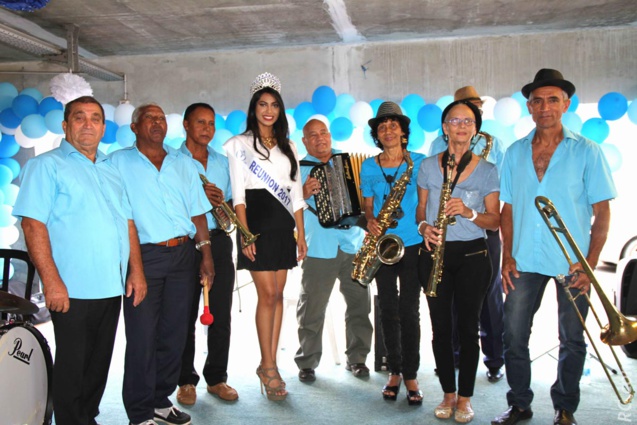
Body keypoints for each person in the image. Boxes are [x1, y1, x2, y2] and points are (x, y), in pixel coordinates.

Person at [492, 69, 616, 425]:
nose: (544, 107)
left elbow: (602, 213)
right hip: (524, 260)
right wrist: (506, 256)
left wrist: (589, 264)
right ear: (529, 107)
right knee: (513, 335)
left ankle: (565, 408)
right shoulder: (514, 153)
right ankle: (519, 404)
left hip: (572, 262)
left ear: (566, 104)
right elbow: (508, 209)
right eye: (537, 101)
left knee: (573, 339)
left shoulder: (588, 151)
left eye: (552, 100)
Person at [13, 96, 146, 425]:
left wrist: (137, 272)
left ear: (103, 127)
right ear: (65, 125)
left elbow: (127, 223)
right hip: (71, 288)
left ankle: (87, 418)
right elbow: (33, 224)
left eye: (95, 118)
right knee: (73, 367)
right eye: (79, 117)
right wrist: (52, 281)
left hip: (109, 286)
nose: (88, 124)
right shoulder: (46, 166)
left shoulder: (110, 169)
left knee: (98, 366)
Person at [111, 103, 214, 425]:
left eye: (160, 118)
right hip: (143, 257)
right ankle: (140, 413)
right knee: (143, 336)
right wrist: (133, 265)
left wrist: (206, 255)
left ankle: (159, 400)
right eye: (149, 118)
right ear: (134, 127)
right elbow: (118, 215)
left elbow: (197, 211)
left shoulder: (182, 163)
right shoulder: (117, 163)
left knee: (175, 334)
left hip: (184, 255)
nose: (157, 123)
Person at [224, 72, 307, 401]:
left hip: (283, 224)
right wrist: (245, 235)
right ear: (253, 108)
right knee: (267, 294)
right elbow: (239, 195)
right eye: (262, 104)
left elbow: (296, 192)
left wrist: (300, 233)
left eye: (274, 105)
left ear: (280, 110)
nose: (268, 110)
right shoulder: (239, 145)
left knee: (279, 294)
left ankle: (268, 363)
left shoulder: (290, 146)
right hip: (255, 224)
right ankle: (268, 365)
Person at [417, 99, 500, 423]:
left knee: (468, 328)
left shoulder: (488, 170)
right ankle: (447, 394)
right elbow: (420, 210)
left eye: (468, 121)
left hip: (473, 256)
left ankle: (465, 398)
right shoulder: (427, 166)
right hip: (435, 253)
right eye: (454, 120)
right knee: (440, 329)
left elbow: (494, 221)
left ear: (476, 129)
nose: (461, 126)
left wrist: (469, 212)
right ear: (444, 127)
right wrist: (424, 227)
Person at [429, 86, 507, 383]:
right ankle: (453, 355)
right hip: (448, 230)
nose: (471, 113)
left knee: (489, 295)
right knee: (448, 297)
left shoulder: (494, 143)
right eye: (464, 109)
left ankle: (494, 358)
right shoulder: (437, 143)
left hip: (482, 226)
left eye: (476, 108)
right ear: (450, 119)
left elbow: (500, 185)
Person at [294, 118, 373, 382]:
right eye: (312, 135)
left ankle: (358, 358)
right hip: (319, 247)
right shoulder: (298, 170)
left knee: (360, 305)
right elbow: (285, 208)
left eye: (323, 133)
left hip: (353, 244)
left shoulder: (350, 163)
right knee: (312, 308)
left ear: (329, 135)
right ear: (305, 141)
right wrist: (302, 194)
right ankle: (307, 361)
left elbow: (367, 196)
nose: (319, 139)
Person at [359, 101, 426, 405]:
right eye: (381, 126)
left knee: (410, 311)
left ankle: (411, 373)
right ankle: (394, 370)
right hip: (383, 246)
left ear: (403, 131)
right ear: (377, 133)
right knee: (387, 309)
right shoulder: (369, 166)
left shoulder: (420, 163)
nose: (387, 130)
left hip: (412, 244)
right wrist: (370, 220)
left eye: (393, 125)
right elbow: (367, 205)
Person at [176, 103, 238, 405]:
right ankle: (185, 380)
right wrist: (200, 197)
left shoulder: (222, 162)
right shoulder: (171, 160)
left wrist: (217, 204)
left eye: (211, 123)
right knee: (184, 314)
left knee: (221, 312)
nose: (206, 129)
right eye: (200, 122)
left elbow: (228, 206)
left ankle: (217, 378)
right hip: (186, 243)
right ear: (186, 125)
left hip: (219, 239)